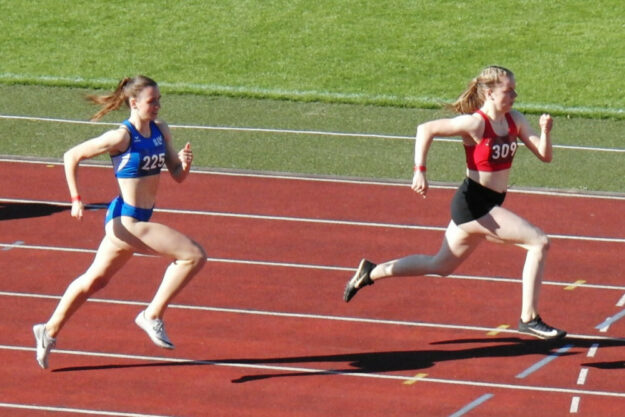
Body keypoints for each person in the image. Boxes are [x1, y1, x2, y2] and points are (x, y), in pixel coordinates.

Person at [344, 65, 566, 340]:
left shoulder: (515, 120)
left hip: (486, 205)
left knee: (440, 265)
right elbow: (425, 129)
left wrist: (546, 131)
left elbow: (545, 156)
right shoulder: (475, 123)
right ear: (490, 93)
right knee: (538, 241)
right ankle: (529, 318)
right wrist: (419, 171)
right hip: (473, 205)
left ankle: (370, 272)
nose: (515, 95)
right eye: (508, 91)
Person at [33, 75, 207, 369]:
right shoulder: (121, 137)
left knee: (95, 280)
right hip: (127, 221)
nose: (157, 106)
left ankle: (47, 331)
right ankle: (151, 315)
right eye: (152, 102)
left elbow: (177, 175)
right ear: (134, 102)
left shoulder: (160, 130)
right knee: (193, 256)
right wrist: (76, 199)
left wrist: (183, 163)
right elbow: (71, 155)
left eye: (159, 100)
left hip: (133, 219)